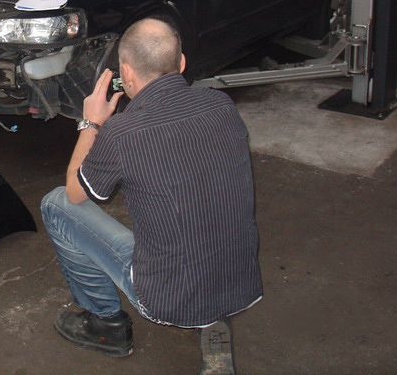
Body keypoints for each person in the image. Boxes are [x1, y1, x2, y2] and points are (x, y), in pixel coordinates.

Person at [40, 18, 262, 371]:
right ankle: (210, 314)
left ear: (125, 73)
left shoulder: (122, 132)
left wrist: (92, 123)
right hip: (240, 282)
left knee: (56, 204)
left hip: (168, 297)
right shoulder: (221, 105)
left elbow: (75, 192)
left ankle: (105, 324)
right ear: (182, 63)